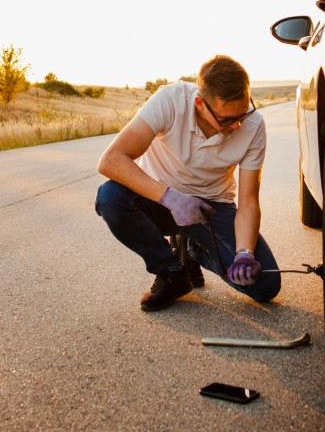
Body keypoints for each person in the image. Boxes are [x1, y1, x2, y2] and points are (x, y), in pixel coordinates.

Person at [95, 55, 281, 311]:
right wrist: (170, 199)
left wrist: (244, 253)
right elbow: (111, 161)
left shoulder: (254, 125)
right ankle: (171, 272)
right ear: (199, 103)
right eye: (227, 120)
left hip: (212, 208)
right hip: (160, 201)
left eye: (244, 112)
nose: (238, 125)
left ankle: (196, 249)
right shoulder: (170, 101)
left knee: (266, 285)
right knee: (110, 198)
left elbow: (249, 200)